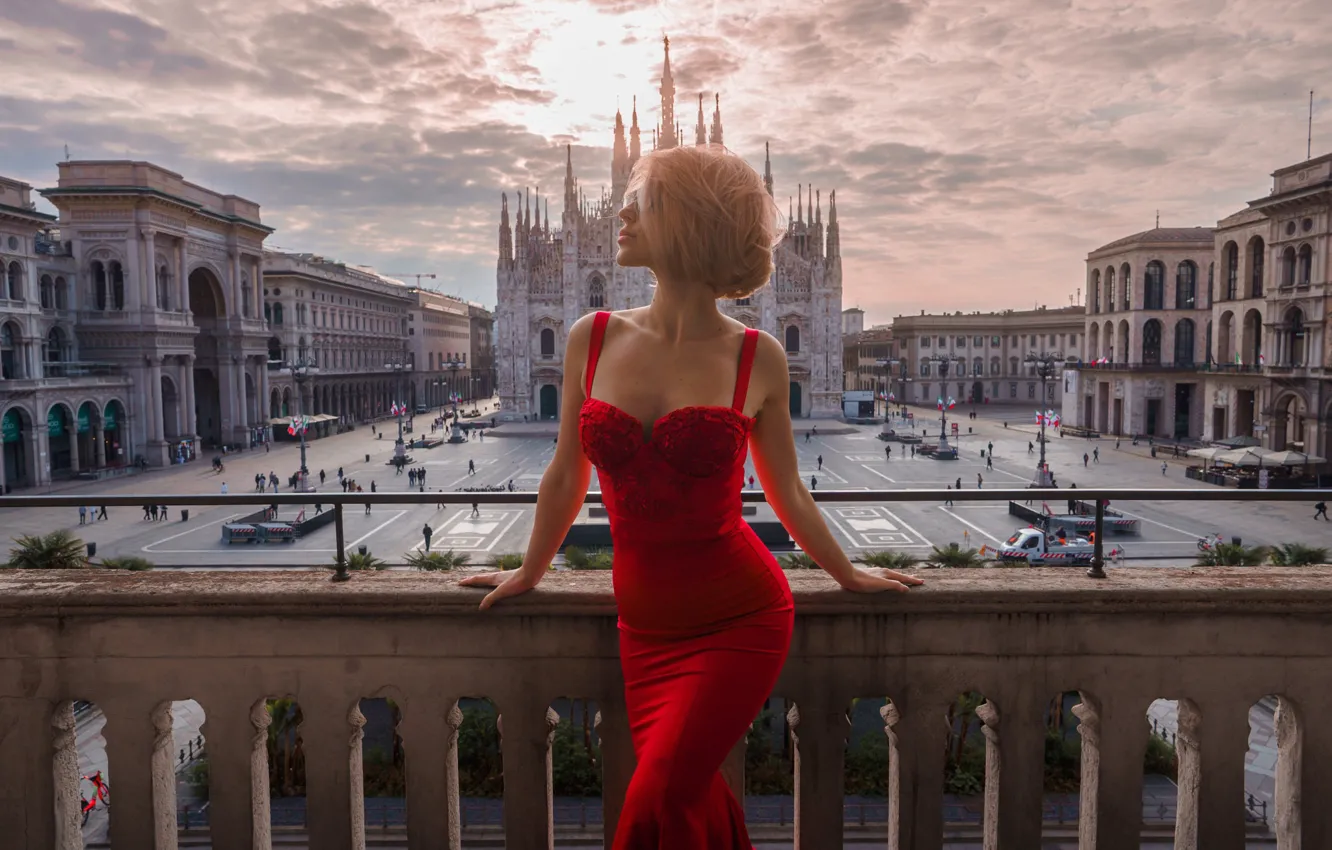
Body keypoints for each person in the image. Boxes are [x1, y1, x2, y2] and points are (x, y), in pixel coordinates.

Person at [458, 145, 921, 847]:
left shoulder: (757, 355)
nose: (621, 213)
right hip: (644, 632)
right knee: (690, 806)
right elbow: (564, 473)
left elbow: (786, 488)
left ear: (686, 221)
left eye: (641, 201)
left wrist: (848, 571)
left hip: (739, 616)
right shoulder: (592, 335)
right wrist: (530, 570)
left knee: (656, 802)